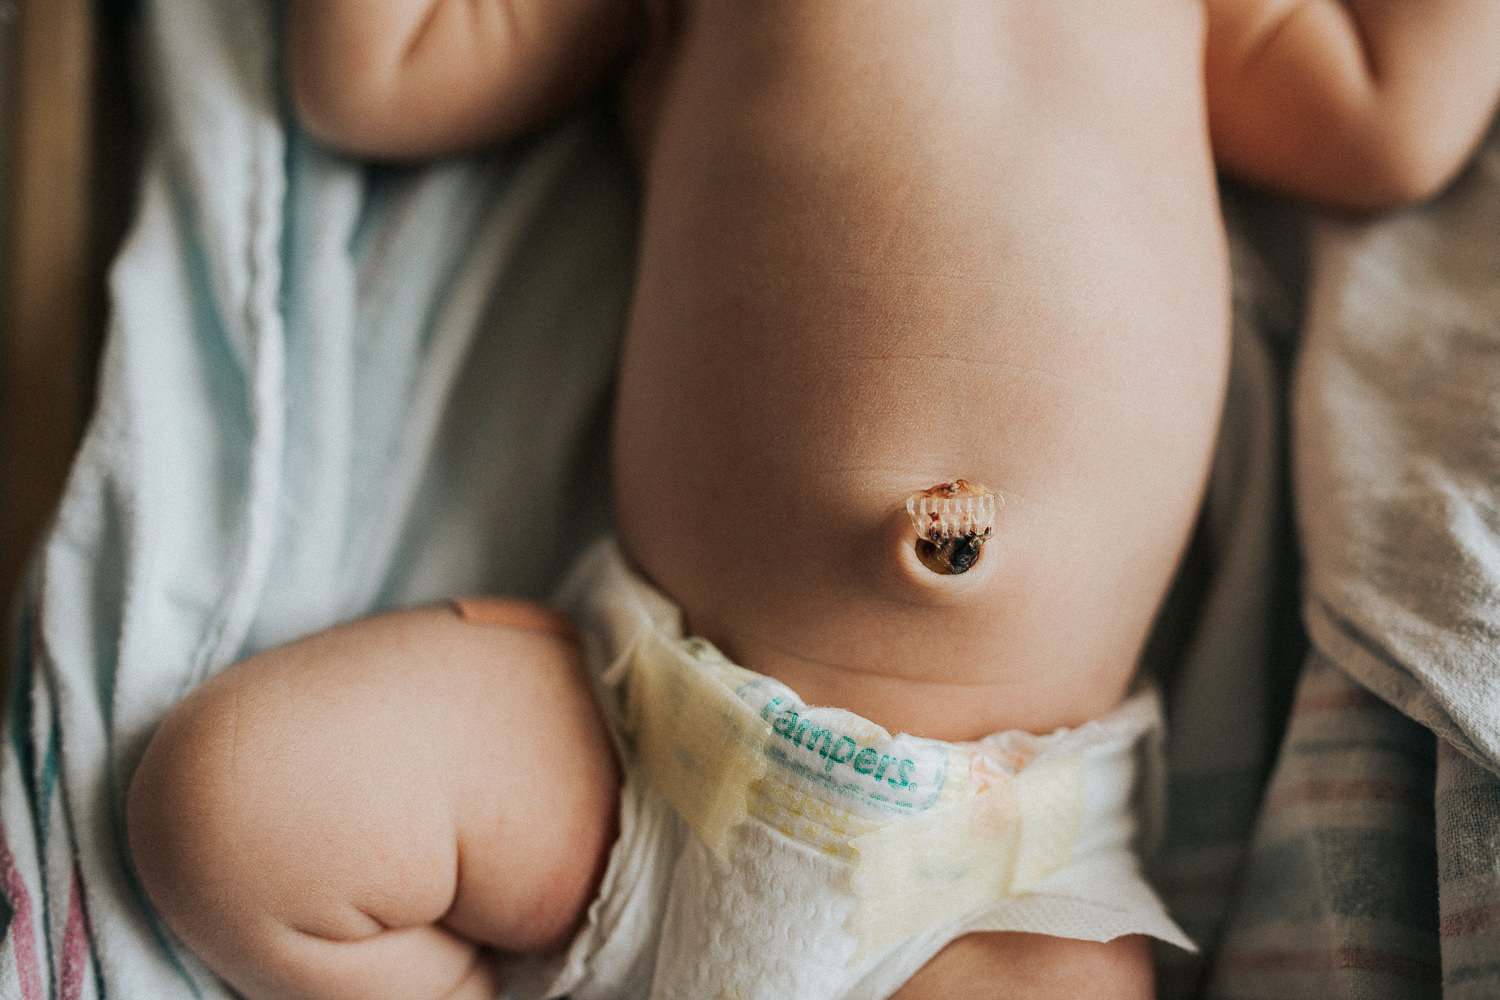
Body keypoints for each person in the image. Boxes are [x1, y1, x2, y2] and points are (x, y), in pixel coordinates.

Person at [126, 2, 1500, 998]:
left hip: (995, 872)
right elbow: (378, 76)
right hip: (634, 749)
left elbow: (1395, 116)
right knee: (232, 807)